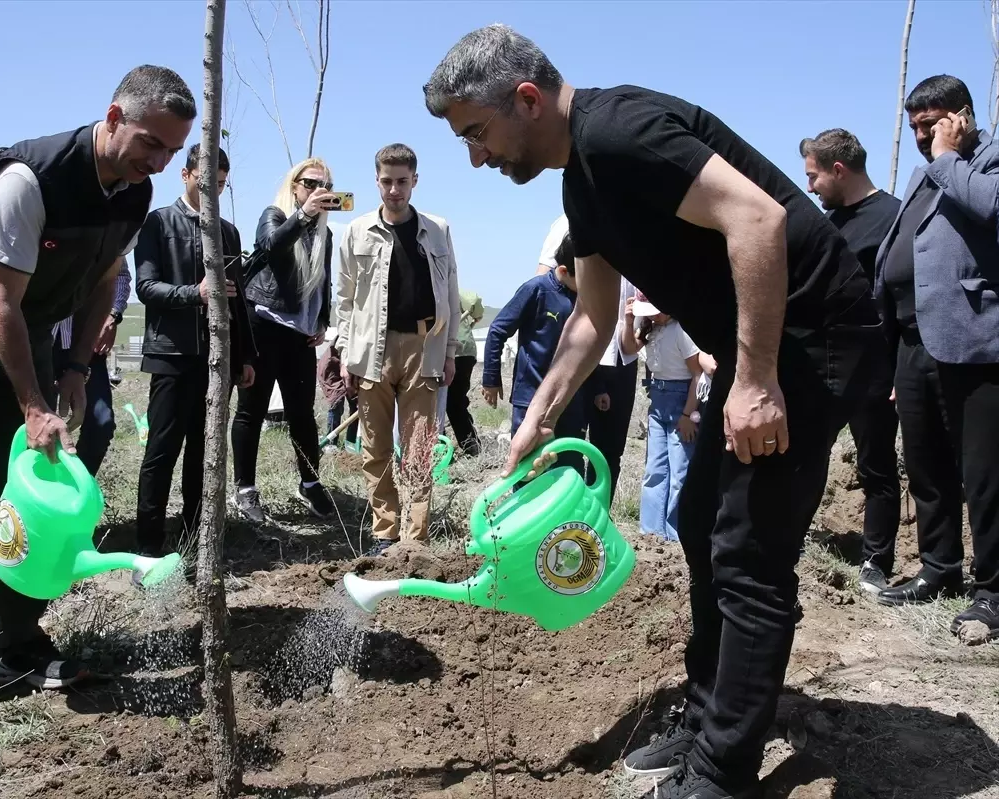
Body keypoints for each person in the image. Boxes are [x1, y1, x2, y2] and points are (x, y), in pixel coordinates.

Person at [425, 26, 883, 799]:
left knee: (748, 551)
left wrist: (757, 380)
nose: (477, 155)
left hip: (814, 340)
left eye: (477, 132)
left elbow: (759, 220)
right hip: (767, 346)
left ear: (526, 99)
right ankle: (711, 718)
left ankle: (724, 770)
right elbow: (592, 319)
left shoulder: (619, 131)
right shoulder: (583, 183)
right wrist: (536, 417)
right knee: (702, 517)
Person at [0, 65, 195, 734]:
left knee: (24, 499)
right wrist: (33, 403)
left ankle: (18, 650)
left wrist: (77, 364)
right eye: (149, 142)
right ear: (113, 118)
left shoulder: (133, 193)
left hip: (19, 336)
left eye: (170, 150)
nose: (158, 161)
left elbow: (104, 280)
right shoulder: (29, 177)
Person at [872, 75, 998, 641]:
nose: (923, 138)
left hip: (976, 341)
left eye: (933, 124)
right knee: (925, 466)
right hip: (914, 340)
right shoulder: (926, 173)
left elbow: (990, 208)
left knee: (984, 474)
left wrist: (948, 157)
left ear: (963, 116)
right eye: (916, 128)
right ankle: (940, 568)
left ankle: (993, 591)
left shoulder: (986, 160)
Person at [0, 258, 132, 595]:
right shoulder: (42, 219)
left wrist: (113, 315)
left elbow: (118, 275)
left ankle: (59, 518)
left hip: (82, 346)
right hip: (31, 341)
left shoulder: (106, 227)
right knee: (13, 442)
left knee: (100, 423)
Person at [336, 143, 461, 553]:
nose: (394, 190)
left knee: (420, 445)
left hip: (424, 348)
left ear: (415, 181)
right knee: (375, 445)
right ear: (377, 181)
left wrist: (449, 353)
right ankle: (384, 530)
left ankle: (415, 536)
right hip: (371, 350)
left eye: (402, 181)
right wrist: (343, 353)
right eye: (387, 182)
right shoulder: (356, 232)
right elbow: (345, 299)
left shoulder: (439, 230)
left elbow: (452, 293)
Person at [134, 144, 256, 556]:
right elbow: (146, 287)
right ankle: (148, 547)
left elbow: (239, 301)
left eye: (221, 186)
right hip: (171, 356)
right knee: (162, 452)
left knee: (204, 454)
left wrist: (244, 357)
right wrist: (196, 293)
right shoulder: (157, 224)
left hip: (216, 362)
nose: (213, 193)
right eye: (207, 184)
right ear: (185, 175)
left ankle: (194, 544)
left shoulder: (228, 232)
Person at [800, 128, 902, 596]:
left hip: (875, 368)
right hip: (821, 365)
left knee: (876, 466)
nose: (810, 188)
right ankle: (793, 536)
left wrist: (900, 368)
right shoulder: (826, 222)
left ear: (838, 169)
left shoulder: (894, 218)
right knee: (804, 455)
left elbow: (903, 297)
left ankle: (876, 562)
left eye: (814, 176)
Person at [232, 158, 337, 523]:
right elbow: (270, 245)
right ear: (294, 186)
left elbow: (323, 280)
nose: (317, 191)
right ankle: (245, 489)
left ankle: (309, 483)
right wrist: (303, 216)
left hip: (301, 336)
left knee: (303, 415)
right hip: (264, 326)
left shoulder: (326, 233)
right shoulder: (274, 214)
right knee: (251, 411)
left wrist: (322, 319)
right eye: (309, 183)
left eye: (324, 185)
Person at [537, 213, 639, 499]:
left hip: (620, 356)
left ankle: (597, 522)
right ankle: (567, 520)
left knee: (609, 453)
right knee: (569, 445)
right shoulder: (566, 223)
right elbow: (543, 281)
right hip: (580, 354)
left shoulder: (637, 224)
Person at [482, 233, 589, 476]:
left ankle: (566, 514)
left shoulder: (584, 299)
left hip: (569, 400)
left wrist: (600, 387)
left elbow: (587, 348)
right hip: (530, 397)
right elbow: (498, 330)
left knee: (569, 466)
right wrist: (491, 378)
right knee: (529, 468)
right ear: (563, 270)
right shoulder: (536, 290)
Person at [620, 291, 705, 541]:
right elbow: (628, 349)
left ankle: (677, 534)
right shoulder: (652, 329)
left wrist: (689, 413)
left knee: (680, 470)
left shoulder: (681, 331)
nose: (653, 317)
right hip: (658, 400)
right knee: (654, 469)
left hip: (681, 400)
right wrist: (627, 322)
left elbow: (697, 375)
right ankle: (651, 533)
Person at [445, 288, 484, 456]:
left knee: (449, 403)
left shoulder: (438, 288)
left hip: (452, 350)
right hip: (467, 350)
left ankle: (469, 447)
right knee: (456, 402)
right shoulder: (459, 293)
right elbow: (478, 308)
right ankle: (471, 445)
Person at [319, 346, 358, 453]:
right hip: (332, 370)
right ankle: (331, 443)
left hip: (352, 369)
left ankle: (351, 442)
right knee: (337, 403)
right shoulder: (337, 348)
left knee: (356, 405)